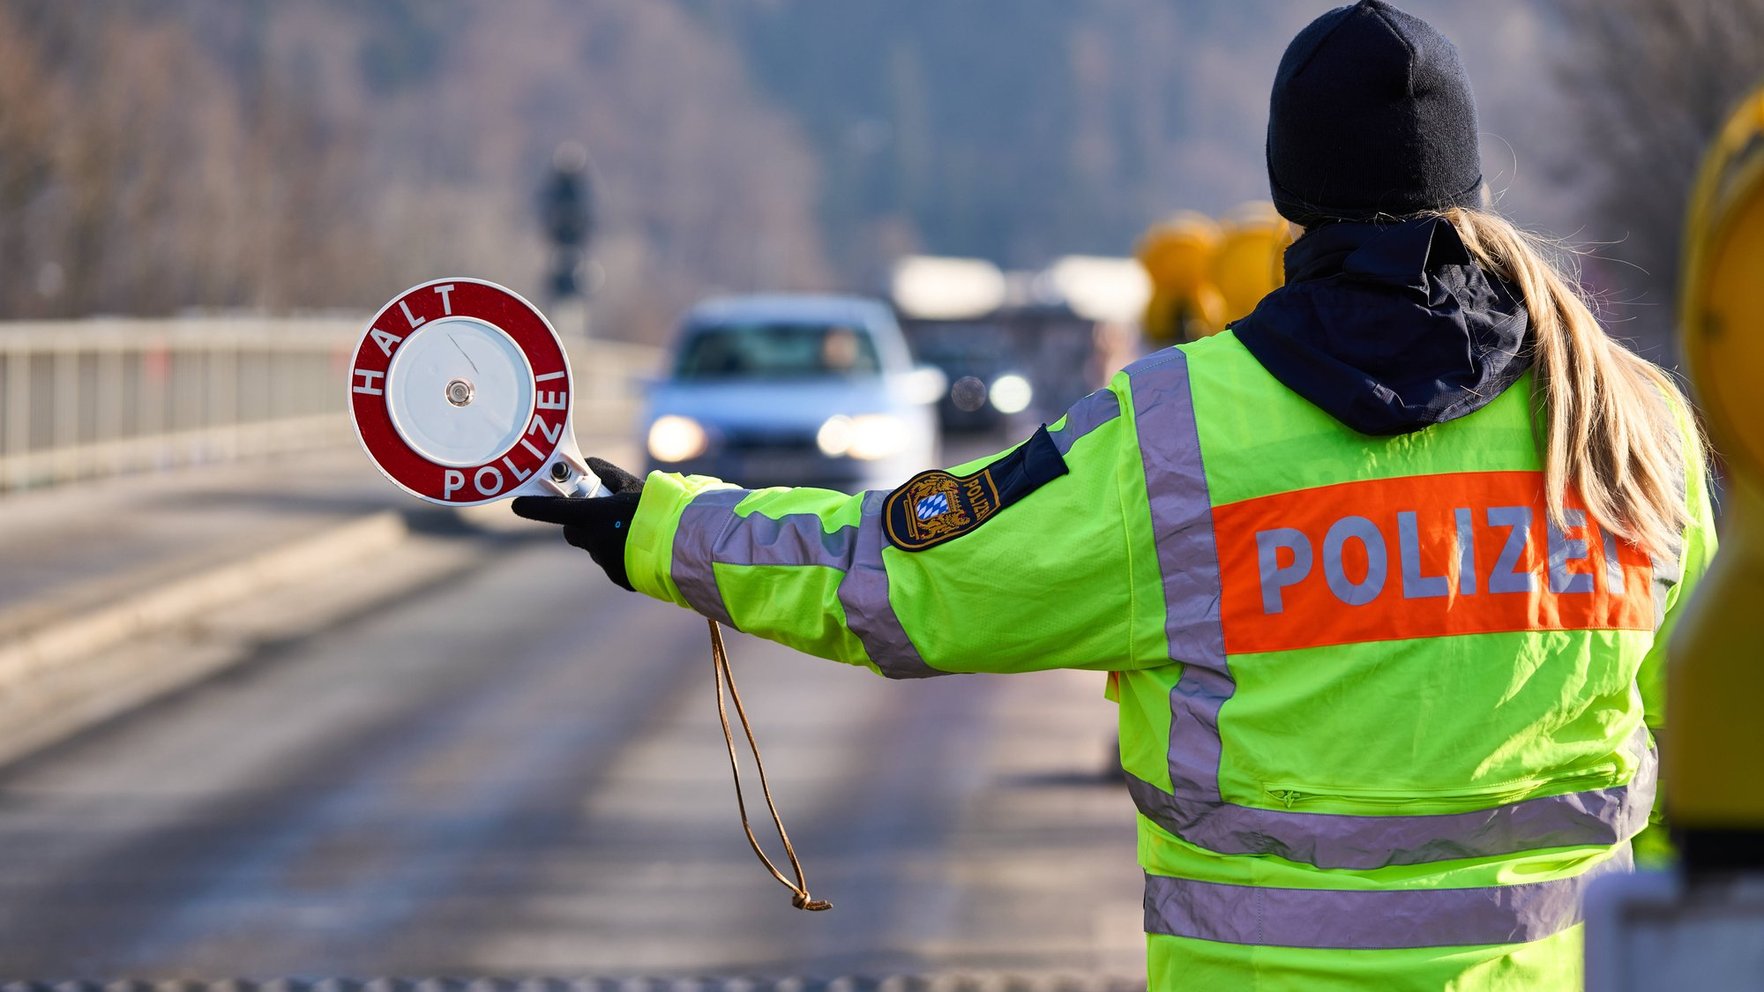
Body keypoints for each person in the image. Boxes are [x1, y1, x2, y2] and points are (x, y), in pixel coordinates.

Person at [514, 2, 1717, 988]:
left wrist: (656, 526)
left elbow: (908, 580)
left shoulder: (1182, 433)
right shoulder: (1629, 424)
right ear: (1466, 178)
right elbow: (1704, 746)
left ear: (1288, 186)